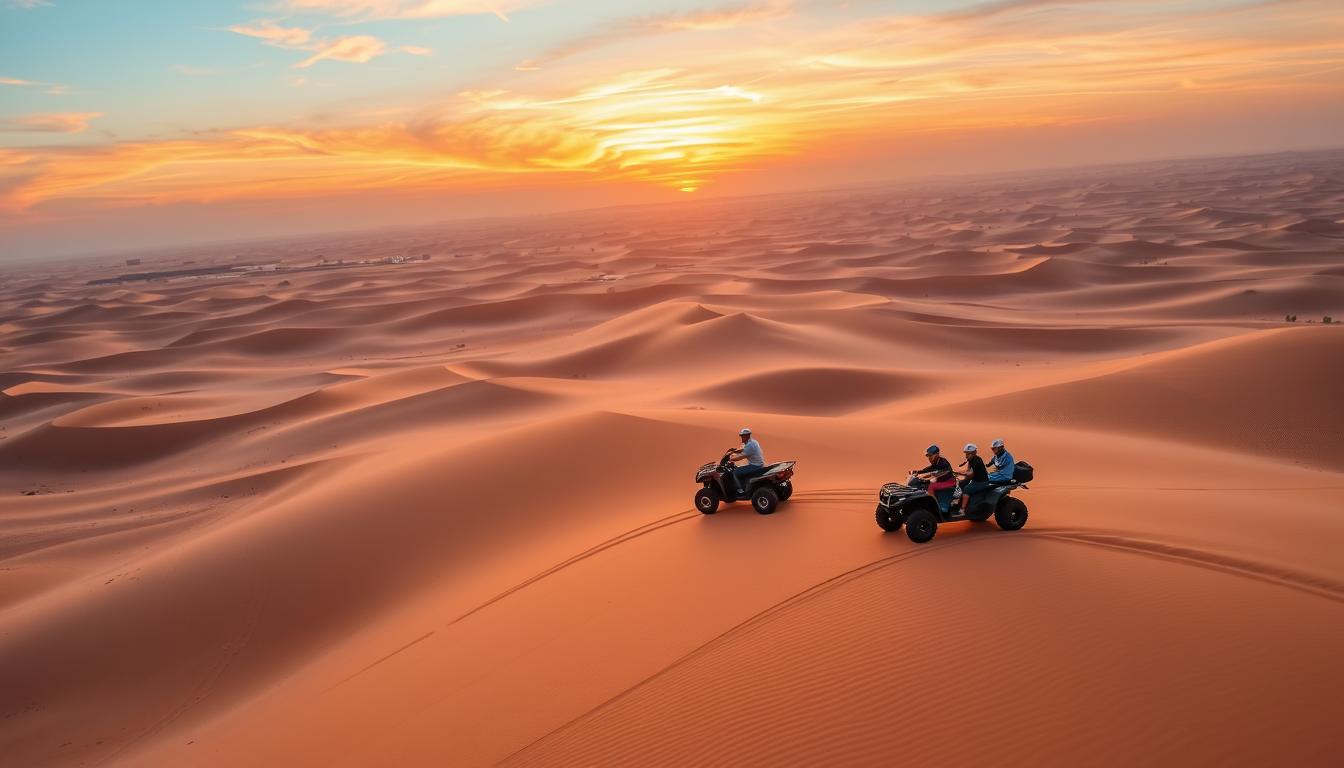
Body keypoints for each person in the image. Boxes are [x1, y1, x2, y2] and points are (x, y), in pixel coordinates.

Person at [954, 443, 990, 515]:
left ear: (974, 453)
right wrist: (960, 474)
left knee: (967, 489)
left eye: (968, 454)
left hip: (981, 482)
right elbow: (967, 471)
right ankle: (958, 501)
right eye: (966, 454)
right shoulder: (971, 460)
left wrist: (959, 473)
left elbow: (970, 473)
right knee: (961, 483)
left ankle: (962, 510)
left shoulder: (977, 461)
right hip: (975, 480)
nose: (966, 455)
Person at [729, 428, 767, 494]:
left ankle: (740, 490)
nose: (741, 437)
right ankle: (744, 485)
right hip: (760, 464)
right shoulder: (754, 442)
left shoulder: (750, 445)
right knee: (741, 469)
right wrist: (734, 451)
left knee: (735, 472)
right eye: (741, 436)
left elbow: (740, 457)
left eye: (743, 436)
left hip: (755, 466)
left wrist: (731, 459)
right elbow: (744, 450)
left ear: (747, 436)